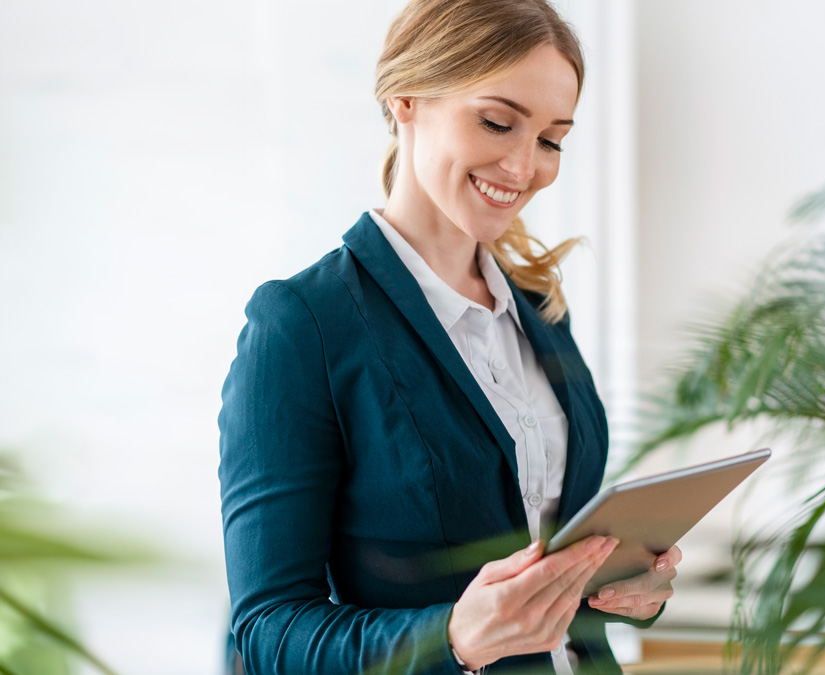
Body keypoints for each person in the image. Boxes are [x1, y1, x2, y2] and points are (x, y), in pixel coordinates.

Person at [217, 1, 680, 673]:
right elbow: (269, 632)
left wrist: (630, 589)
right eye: (497, 122)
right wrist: (455, 637)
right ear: (404, 97)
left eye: (551, 140)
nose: (525, 168)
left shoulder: (541, 311)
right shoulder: (303, 324)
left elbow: (550, 570)